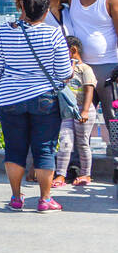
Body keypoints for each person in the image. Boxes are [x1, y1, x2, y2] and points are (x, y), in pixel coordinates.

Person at [0, 0, 69, 212]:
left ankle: (15, 197)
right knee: (44, 149)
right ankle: (44, 199)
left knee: (14, 149)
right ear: (45, 11)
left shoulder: (4, 31)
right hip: (44, 98)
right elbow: (63, 72)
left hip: (10, 97)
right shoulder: (53, 34)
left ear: (22, 7)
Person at [61, 0, 118, 178]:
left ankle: (117, 163)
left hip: (108, 67)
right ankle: (74, 166)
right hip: (80, 69)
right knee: (76, 116)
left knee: (113, 118)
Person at [53, 36, 96, 189]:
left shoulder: (85, 69)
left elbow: (89, 89)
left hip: (84, 110)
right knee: (65, 141)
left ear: (72, 51)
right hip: (67, 111)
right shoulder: (65, 70)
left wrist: (84, 110)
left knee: (82, 143)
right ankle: (60, 174)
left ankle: (85, 173)